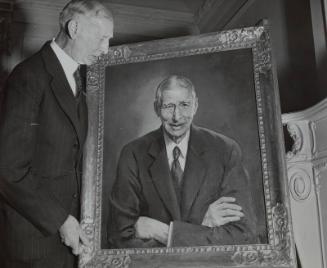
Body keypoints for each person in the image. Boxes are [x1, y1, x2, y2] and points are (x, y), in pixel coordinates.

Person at [0, 0, 113, 267]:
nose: (106, 49)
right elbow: (7, 170)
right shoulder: (28, 76)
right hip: (32, 244)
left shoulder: (80, 80)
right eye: (102, 38)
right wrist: (61, 220)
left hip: (66, 244)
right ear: (74, 28)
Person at [110, 75, 257, 248]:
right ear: (157, 109)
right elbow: (118, 237)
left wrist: (166, 233)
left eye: (184, 105)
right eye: (168, 106)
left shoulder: (225, 150)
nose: (176, 116)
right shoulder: (133, 154)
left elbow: (243, 235)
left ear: (195, 106)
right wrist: (203, 224)